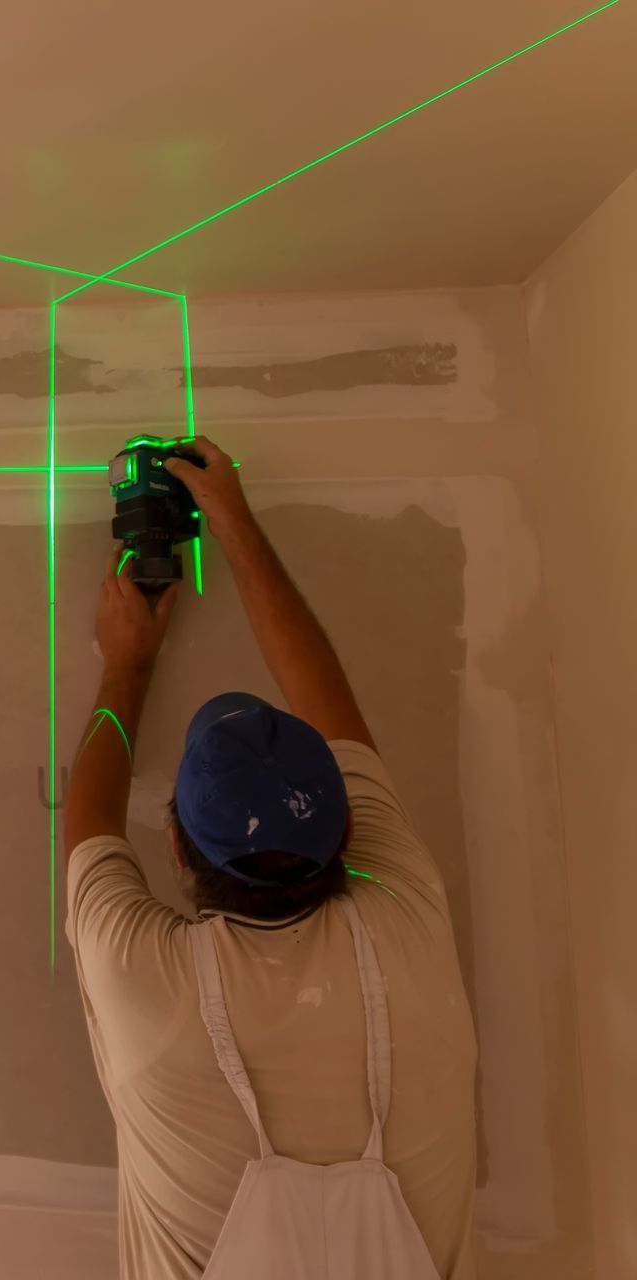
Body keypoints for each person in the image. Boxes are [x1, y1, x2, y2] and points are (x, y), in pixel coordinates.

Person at [63, 437, 477, 1278]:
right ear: (349, 830)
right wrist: (236, 525)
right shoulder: (406, 912)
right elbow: (92, 828)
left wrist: (128, 664)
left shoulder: (146, 974)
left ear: (175, 841)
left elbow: (87, 819)